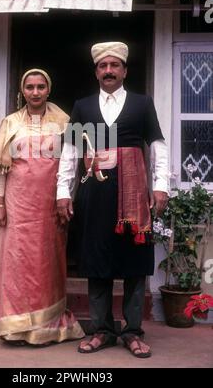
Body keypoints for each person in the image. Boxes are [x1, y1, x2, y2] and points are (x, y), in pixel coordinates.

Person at [57, 42, 169, 358]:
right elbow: (70, 151)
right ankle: (102, 330)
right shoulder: (83, 106)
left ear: (124, 71)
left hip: (134, 195)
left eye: (114, 65)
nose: (109, 71)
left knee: (134, 263)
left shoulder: (142, 104)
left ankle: (132, 332)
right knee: (96, 261)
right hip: (95, 193)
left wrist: (160, 186)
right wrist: (63, 192)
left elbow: (158, 145)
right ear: (96, 72)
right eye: (103, 66)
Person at [0, 68, 84, 345]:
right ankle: (14, 327)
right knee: (16, 262)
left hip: (49, 206)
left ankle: (47, 328)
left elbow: (71, 164)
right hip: (16, 205)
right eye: (30, 87)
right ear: (22, 91)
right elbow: (0, 167)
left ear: (49, 90)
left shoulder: (64, 122)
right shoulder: (10, 122)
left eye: (40, 87)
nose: (35, 92)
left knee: (46, 263)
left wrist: (66, 198)